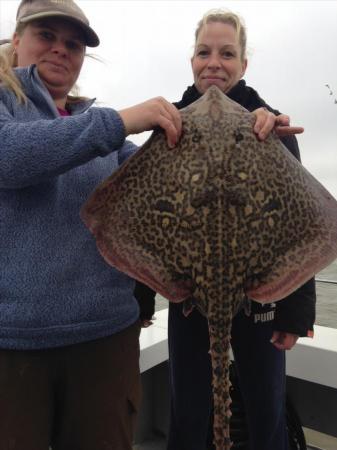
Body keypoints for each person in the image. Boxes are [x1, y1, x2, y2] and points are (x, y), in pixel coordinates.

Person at [0, 1, 182, 449]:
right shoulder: (92, 125)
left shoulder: (97, 128)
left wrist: (247, 132)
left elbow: (168, 180)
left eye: (74, 44)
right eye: (47, 36)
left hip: (105, 340)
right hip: (13, 344)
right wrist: (120, 122)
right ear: (17, 38)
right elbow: (11, 157)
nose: (61, 50)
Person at [166, 9, 316, 450]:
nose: (214, 63)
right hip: (189, 291)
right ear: (191, 60)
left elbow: (300, 224)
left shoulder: (272, 127)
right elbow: (141, 216)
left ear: (243, 64)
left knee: (266, 404)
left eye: (227, 54)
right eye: (204, 52)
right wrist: (140, 300)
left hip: (262, 294)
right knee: (187, 408)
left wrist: (296, 312)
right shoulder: (170, 123)